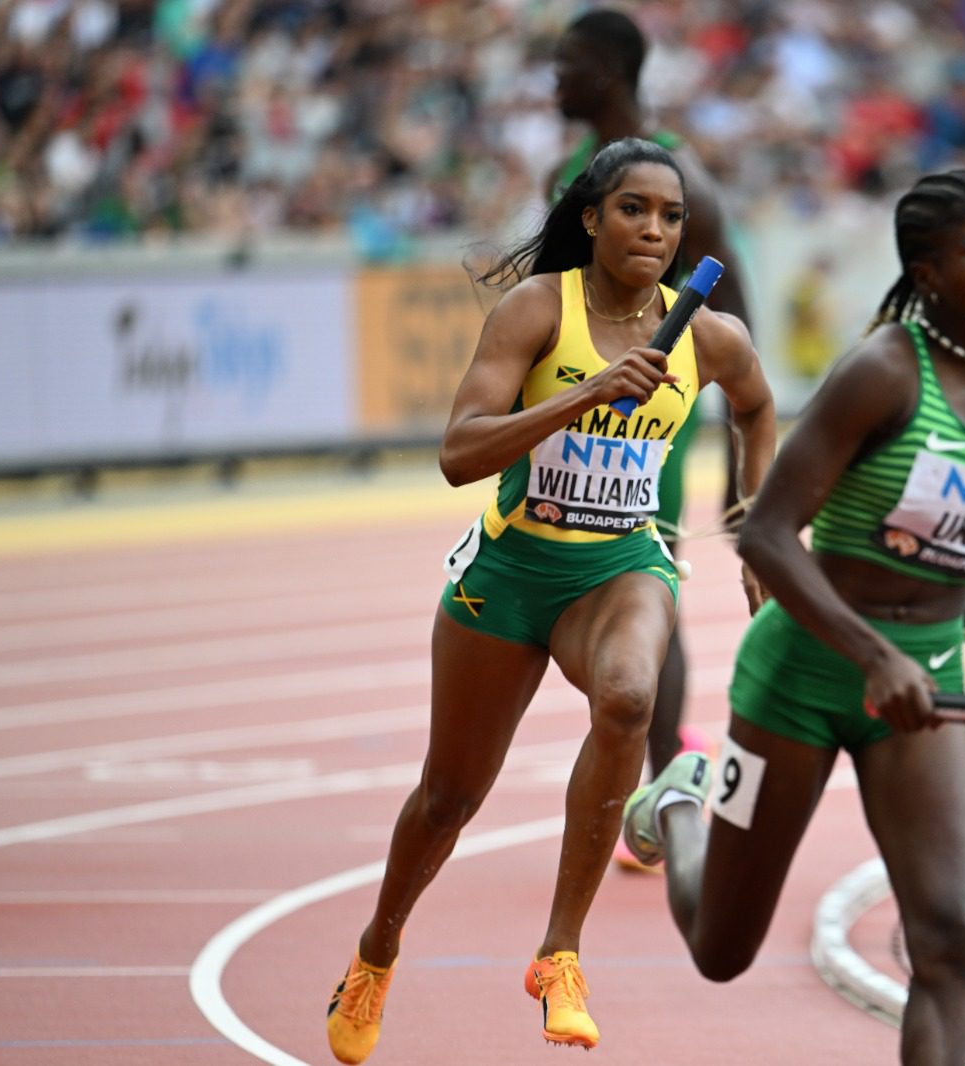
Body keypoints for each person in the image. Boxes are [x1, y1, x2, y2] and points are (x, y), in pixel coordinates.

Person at [324, 137, 775, 1063]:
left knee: (628, 701)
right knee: (449, 798)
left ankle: (559, 952)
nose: (654, 229)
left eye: (671, 215)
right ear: (591, 219)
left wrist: (751, 514)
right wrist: (586, 395)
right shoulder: (539, 309)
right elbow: (460, 452)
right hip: (510, 574)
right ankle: (377, 953)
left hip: (620, 568)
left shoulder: (706, 333)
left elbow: (760, 405)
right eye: (633, 209)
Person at [622, 169, 965, 1066]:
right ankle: (678, 805)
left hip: (924, 683)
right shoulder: (881, 373)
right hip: (805, 675)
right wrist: (871, 656)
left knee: (952, 937)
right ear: (930, 271)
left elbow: (941, 539)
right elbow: (770, 539)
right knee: (720, 950)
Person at [548, 9, 756, 866]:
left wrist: (745, 469)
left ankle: (668, 776)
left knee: (647, 574)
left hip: (650, 420)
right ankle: (653, 768)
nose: (553, 79)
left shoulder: (681, 181)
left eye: (568, 63)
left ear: (610, 68)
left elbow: (736, 320)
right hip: (567, 401)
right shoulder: (576, 169)